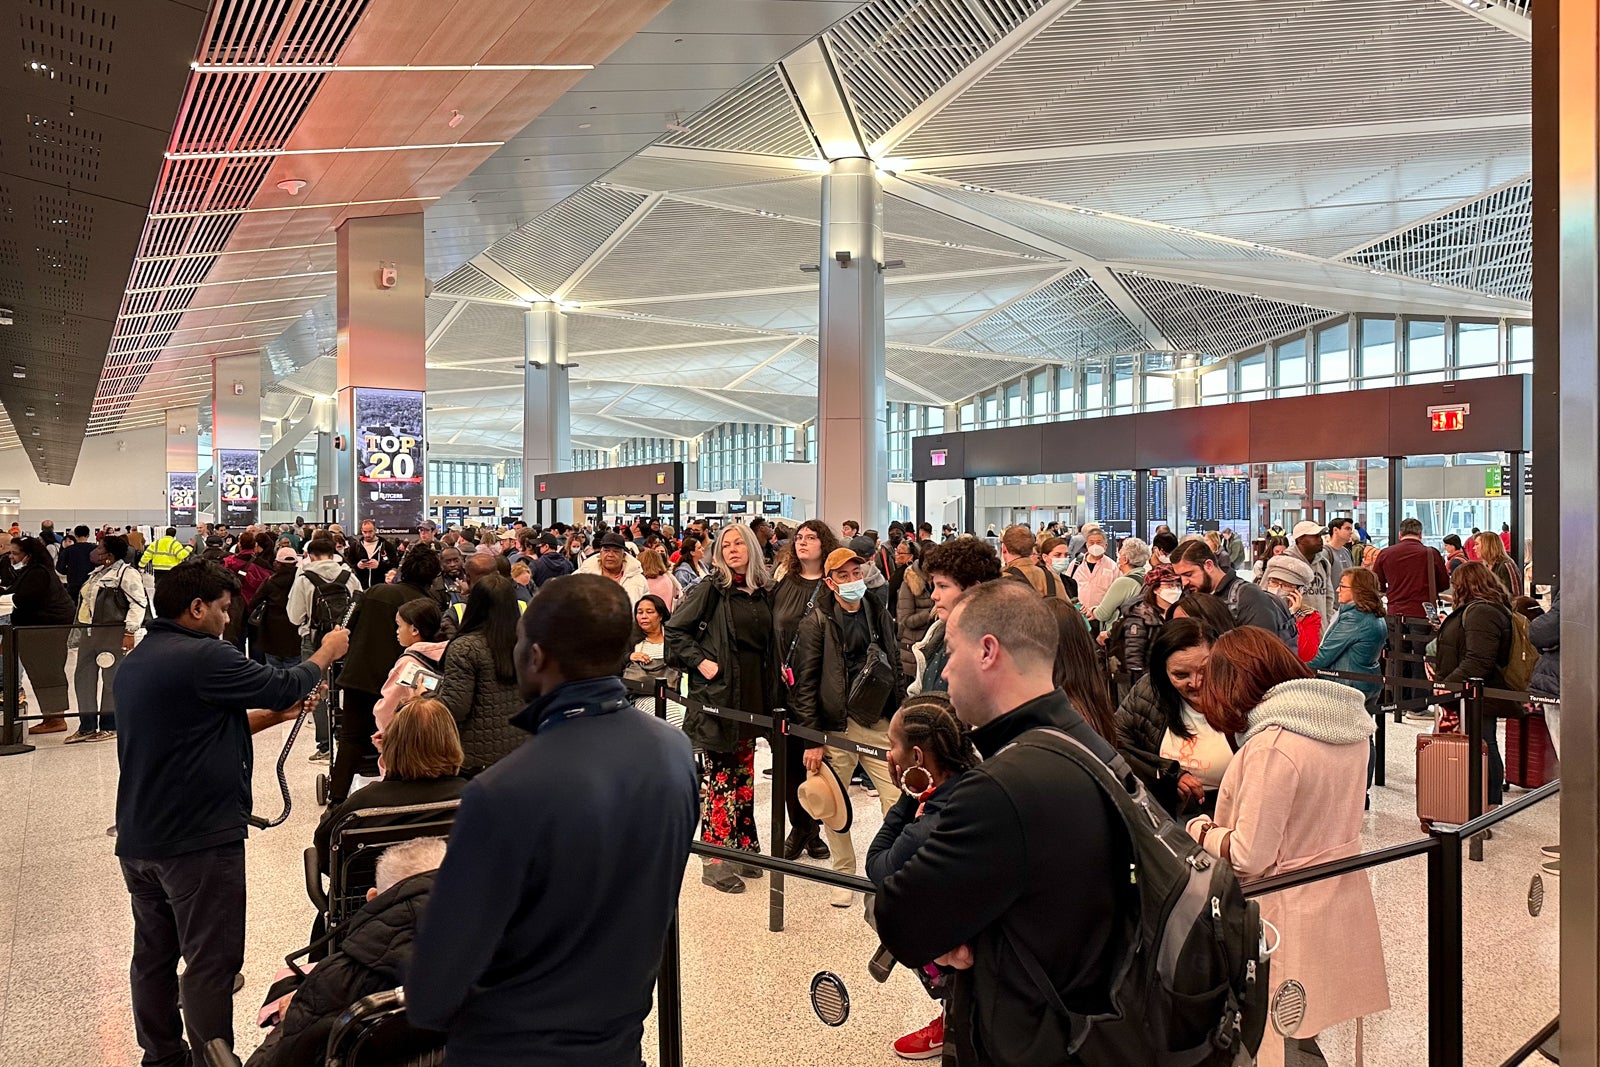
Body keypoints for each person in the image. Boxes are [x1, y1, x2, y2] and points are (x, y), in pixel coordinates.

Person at [408, 574, 696, 1066]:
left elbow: (433, 993)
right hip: (620, 1040)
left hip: (509, 1049)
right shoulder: (675, 751)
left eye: (521, 641)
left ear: (537, 657)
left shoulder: (501, 792)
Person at [874, 581, 1128, 1067]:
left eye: (949, 652)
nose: (943, 670)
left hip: (1029, 1030)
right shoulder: (1086, 741)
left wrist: (957, 932)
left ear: (988, 651)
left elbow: (899, 918)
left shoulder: (1002, 786)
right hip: (1090, 1015)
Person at [115, 559, 347, 1066]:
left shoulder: (143, 657)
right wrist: (326, 653)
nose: (227, 621)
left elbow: (198, 734)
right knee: (210, 963)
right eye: (222, 610)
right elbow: (286, 682)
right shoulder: (202, 656)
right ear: (196, 608)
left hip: (142, 836)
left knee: (153, 957)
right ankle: (212, 1059)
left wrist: (277, 716)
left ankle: (161, 1056)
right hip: (197, 839)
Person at [1187, 627, 1388, 1067]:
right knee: (1306, 1016)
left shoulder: (1274, 746)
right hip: (1339, 887)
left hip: (1281, 903)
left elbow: (1250, 854)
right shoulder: (1347, 727)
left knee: (1277, 1022)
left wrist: (1201, 831)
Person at [247, 837, 446, 1067]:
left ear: (372, 898)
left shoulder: (335, 981)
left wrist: (288, 1022)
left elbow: (286, 1059)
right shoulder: (494, 952)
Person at [664, 523, 780, 894]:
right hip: (718, 697)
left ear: (751, 548)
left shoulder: (762, 591)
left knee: (743, 777)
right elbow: (675, 631)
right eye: (725, 545)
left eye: (738, 544)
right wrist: (701, 662)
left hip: (752, 696)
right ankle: (714, 860)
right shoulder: (711, 590)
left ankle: (744, 849)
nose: (732, 549)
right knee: (720, 779)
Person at [866, 692, 980, 1063]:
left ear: (916, 757)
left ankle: (951, 1005)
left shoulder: (925, 826)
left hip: (966, 948)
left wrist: (907, 794)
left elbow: (877, 865)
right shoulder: (977, 783)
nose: (889, 756)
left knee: (877, 905)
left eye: (892, 746)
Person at [791, 546, 902, 907]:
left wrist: (898, 716)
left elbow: (895, 661)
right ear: (830, 581)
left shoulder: (876, 609)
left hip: (878, 719)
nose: (853, 581)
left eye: (857, 573)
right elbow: (804, 682)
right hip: (836, 724)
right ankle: (842, 872)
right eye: (844, 576)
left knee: (896, 797)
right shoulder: (816, 621)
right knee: (833, 804)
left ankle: (892, 867)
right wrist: (812, 737)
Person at [330, 546, 441, 803]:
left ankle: (336, 799)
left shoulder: (376, 592)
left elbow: (345, 624)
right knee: (404, 743)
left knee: (351, 740)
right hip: (404, 684)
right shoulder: (429, 605)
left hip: (361, 675)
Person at [314, 697, 467, 877]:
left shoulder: (363, 806)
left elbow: (325, 856)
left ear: (392, 744)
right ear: (452, 741)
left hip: (378, 898)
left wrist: (389, 757)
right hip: (459, 894)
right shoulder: (474, 797)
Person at [769, 518, 839, 861]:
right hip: (783, 685)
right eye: (799, 537)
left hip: (818, 684)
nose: (803, 542)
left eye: (811, 537)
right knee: (789, 764)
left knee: (817, 761)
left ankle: (811, 829)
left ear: (824, 544)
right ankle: (801, 827)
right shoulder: (783, 581)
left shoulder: (831, 586)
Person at [1115, 617, 1234, 818]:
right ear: (1164, 673)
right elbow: (1114, 743)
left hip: (1232, 815)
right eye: (1181, 675)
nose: (1196, 683)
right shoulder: (1148, 693)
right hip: (1166, 815)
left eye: (1205, 670)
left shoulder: (1241, 697)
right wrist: (1166, 775)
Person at [1433, 561, 1523, 807]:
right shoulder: (1485, 610)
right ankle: (1481, 800)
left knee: (1483, 743)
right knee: (1483, 742)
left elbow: (1479, 659)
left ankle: (1489, 803)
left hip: (1478, 690)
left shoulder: (1482, 613)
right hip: (1473, 688)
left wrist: (1448, 684)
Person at [437, 575, 527, 774]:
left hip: (476, 758)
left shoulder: (465, 648)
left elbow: (456, 707)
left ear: (474, 604)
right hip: (523, 749)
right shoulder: (528, 644)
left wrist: (428, 698)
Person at [65, 535, 147, 743]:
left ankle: (109, 724)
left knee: (111, 679)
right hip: (88, 632)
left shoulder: (126, 574)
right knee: (83, 677)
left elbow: (138, 603)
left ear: (109, 553)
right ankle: (87, 726)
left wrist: (130, 631)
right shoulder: (96, 573)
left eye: (100, 547)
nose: (96, 550)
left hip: (112, 632)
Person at [907, 537, 1000, 697]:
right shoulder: (937, 634)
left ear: (974, 589)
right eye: (934, 586)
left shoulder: (991, 648)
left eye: (943, 586)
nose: (934, 596)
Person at [7, 535, 76, 734]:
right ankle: (50, 716)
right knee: (40, 672)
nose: (11, 557)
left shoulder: (38, 573)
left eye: (15, 553)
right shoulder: (32, 572)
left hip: (46, 630)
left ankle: (56, 718)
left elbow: (23, 598)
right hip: (39, 629)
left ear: (28, 555)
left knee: (47, 672)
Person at [1172, 537, 1295, 646]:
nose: (1184, 582)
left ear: (1209, 565)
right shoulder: (1188, 595)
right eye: (1180, 577)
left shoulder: (1247, 595)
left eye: (1188, 574)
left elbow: (1261, 649)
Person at [372, 597, 451, 747]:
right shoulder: (451, 654)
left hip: (409, 742)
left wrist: (385, 733)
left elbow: (387, 709)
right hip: (441, 737)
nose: (397, 631)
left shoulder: (408, 663)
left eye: (399, 626)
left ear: (414, 629)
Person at [1262, 553, 1322, 662]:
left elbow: (1306, 654)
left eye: (1287, 585)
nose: (1278, 589)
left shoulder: (1309, 616)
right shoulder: (1255, 607)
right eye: (1274, 582)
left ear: (1299, 591)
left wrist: (1292, 617)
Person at [895, 538, 936, 680]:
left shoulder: (939, 581)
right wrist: (930, 614)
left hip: (932, 648)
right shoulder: (910, 582)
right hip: (912, 652)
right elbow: (905, 620)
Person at [997, 525, 1072, 602]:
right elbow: (1067, 610)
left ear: (1004, 549)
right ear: (1032, 550)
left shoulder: (1000, 580)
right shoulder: (1052, 577)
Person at [1090, 536, 1150, 628]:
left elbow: (1102, 614)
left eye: (1120, 554)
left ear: (1125, 559)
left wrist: (1093, 610)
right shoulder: (1145, 579)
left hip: (1118, 634)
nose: (1118, 557)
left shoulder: (1123, 582)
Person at [579, 531, 649, 605]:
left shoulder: (638, 580)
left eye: (616, 551)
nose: (610, 555)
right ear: (600, 554)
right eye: (606, 551)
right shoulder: (583, 575)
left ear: (624, 556)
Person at [1291, 521, 1336, 629]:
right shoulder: (1285, 563)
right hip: (1295, 632)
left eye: (1320, 536)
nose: (1320, 540)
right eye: (1315, 536)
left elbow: (1329, 597)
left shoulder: (1323, 563)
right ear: (1300, 539)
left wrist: (1327, 622)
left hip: (1320, 630)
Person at [1067, 526, 1119, 613]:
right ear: (1087, 545)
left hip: (1101, 614)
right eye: (1091, 543)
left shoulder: (1112, 566)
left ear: (1105, 545)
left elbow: (1116, 594)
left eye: (1098, 542)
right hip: (1078, 613)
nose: (1095, 545)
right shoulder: (1076, 563)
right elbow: (1067, 586)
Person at [139, 527, 192, 608]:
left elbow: (147, 555)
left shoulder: (156, 543)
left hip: (158, 569)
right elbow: (181, 555)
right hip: (171, 569)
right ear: (174, 535)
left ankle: (159, 603)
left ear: (165, 533)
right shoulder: (175, 544)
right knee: (171, 587)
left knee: (159, 586)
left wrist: (141, 565)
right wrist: (189, 547)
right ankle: (170, 604)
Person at [345, 520, 398, 590]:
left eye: (370, 532)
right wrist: (357, 566)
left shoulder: (386, 545)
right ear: (361, 531)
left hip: (381, 587)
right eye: (365, 532)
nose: (367, 535)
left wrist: (379, 565)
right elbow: (348, 564)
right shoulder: (355, 546)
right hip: (360, 587)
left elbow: (395, 564)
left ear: (375, 530)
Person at [1474, 530, 1524, 599]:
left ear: (1487, 545)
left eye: (1477, 544)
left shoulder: (1506, 565)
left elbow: (1517, 595)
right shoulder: (1484, 567)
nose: (1474, 548)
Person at [55, 524, 97, 602]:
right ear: (88, 535)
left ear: (75, 536)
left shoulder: (68, 550)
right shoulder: (94, 549)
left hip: (73, 583)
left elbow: (60, 568)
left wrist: (69, 571)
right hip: (91, 583)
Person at [1326, 517, 1356, 587]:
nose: (1351, 532)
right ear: (1335, 530)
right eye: (1347, 529)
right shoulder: (1325, 552)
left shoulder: (1347, 552)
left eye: (1351, 529)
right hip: (1332, 597)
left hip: (1346, 596)